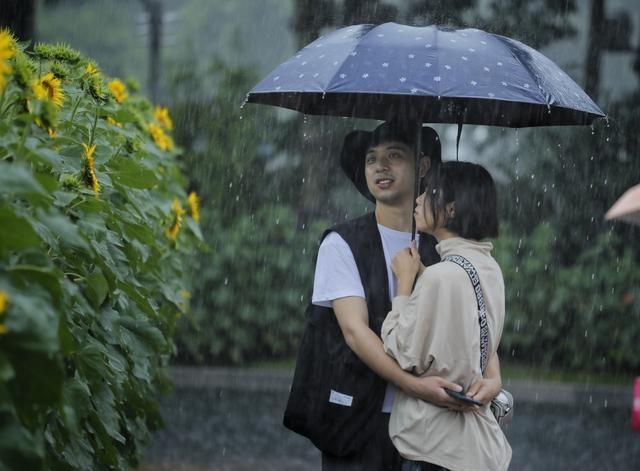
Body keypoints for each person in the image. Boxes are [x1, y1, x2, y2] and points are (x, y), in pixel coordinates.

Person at [307, 121, 503, 471]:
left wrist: (493, 378)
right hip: (359, 418)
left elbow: (475, 318)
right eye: (371, 159)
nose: (380, 167)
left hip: (431, 431)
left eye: (394, 156)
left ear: (423, 167)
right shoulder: (342, 243)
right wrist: (416, 386)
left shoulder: (442, 246)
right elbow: (355, 333)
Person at [381, 161, 512, 471]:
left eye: (428, 192)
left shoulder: (441, 277)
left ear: (451, 209)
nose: (418, 199)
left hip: (433, 448)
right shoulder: (490, 269)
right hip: (476, 451)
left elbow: (401, 350)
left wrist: (404, 283)